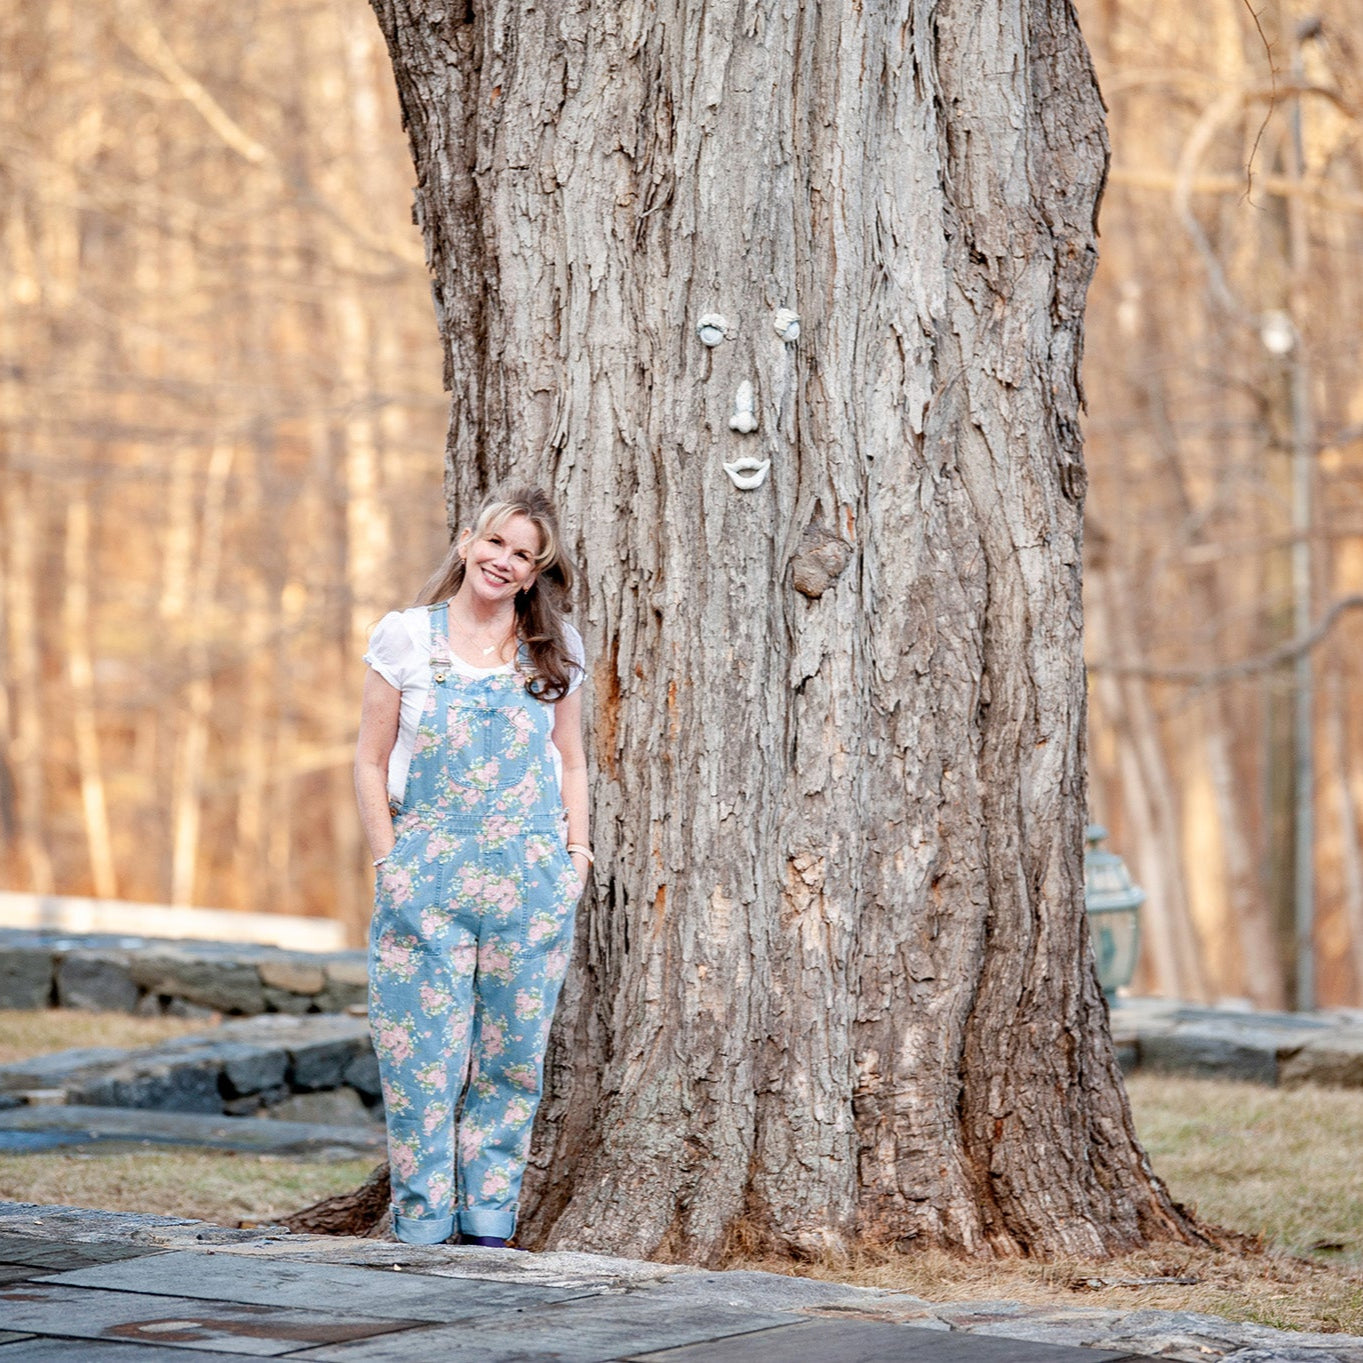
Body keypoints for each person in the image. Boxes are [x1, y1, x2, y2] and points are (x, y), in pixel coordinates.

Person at [354, 485, 590, 1247]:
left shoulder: (553, 650)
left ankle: (490, 1218)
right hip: (427, 875)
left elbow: (571, 761)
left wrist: (576, 853)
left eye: (523, 555)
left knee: (513, 1057)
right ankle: (422, 1220)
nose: (504, 560)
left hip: (531, 877)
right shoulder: (405, 639)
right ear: (466, 543)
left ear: (532, 574)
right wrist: (389, 860)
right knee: (421, 1056)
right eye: (496, 543)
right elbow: (368, 759)